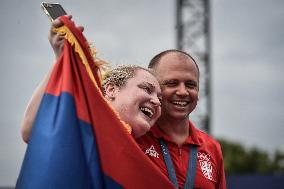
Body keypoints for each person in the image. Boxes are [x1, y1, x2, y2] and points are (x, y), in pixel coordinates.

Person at [21, 17, 162, 142]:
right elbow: (34, 132)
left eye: (160, 99)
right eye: (146, 89)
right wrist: (61, 59)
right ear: (112, 90)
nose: (156, 101)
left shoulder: (154, 153)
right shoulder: (84, 125)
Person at [136, 49, 227, 189]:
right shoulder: (135, 137)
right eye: (172, 83)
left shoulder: (212, 148)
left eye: (191, 85)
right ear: (152, 87)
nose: (183, 92)